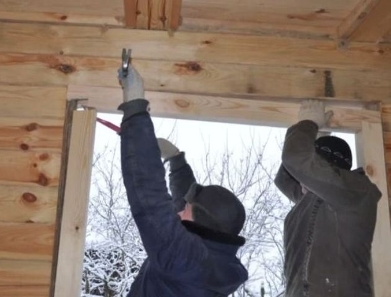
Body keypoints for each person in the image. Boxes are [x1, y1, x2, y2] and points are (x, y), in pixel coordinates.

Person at [117, 64, 248, 297]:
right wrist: (176, 162)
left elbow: (150, 198)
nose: (178, 213)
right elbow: (182, 206)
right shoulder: (215, 262)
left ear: (203, 223)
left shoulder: (185, 260)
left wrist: (136, 110)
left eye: (186, 210)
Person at [275, 100, 382, 297]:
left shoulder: (355, 191)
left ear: (326, 170)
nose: (301, 183)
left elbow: (295, 159)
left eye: (310, 174)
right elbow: (284, 178)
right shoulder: (317, 200)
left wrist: (308, 124)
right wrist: (317, 137)